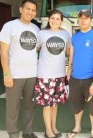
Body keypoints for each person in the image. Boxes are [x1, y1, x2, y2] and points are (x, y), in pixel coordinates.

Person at [0, 0, 39, 138]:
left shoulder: (36, 29)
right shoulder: (9, 26)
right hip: (14, 75)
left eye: (33, 10)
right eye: (27, 9)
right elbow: (3, 52)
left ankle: (27, 132)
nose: (30, 12)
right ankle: (13, 134)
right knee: (12, 108)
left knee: (30, 105)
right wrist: (6, 73)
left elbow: (37, 49)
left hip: (32, 74)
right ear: (21, 9)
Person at [32, 10, 70, 138]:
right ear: (48, 20)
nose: (55, 21)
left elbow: (69, 51)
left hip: (60, 74)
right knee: (47, 104)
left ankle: (54, 127)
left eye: (57, 19)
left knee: (55, 103)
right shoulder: (42, 33)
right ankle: (48, 130)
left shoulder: (65, 34)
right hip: (45, 74)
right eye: (52, 18)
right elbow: (33, 51)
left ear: (61, 21)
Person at [66, 9, 93, 138]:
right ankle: (77, 127)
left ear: (90, 20)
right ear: (78, 20)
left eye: (86, 18)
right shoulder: (74, 37)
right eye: (81, 18)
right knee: (76, 105)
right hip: (75, 78)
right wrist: (68, 74)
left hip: (90, 79)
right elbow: (71, 56)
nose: (83, 20)